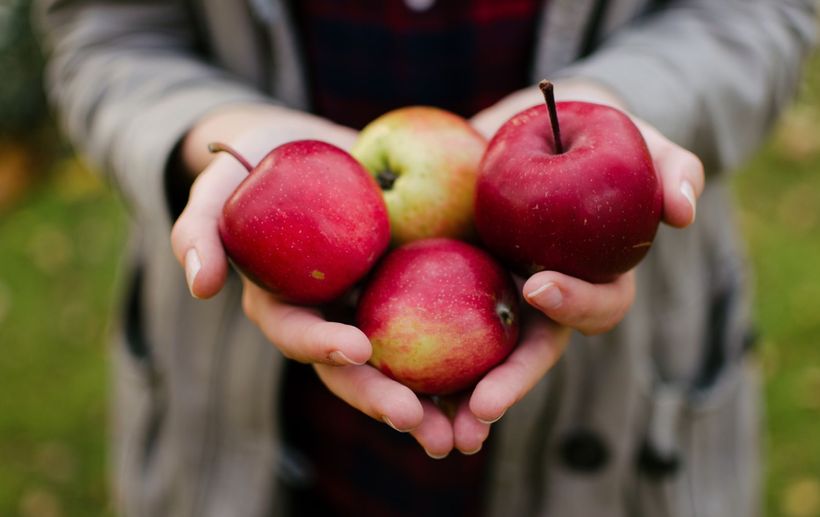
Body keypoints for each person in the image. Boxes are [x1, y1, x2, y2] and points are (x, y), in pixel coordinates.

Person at [36, 1, 815, 516]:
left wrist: (614, 98)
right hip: (253, 415)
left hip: (623, 406)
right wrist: (209, 130)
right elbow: (105, 33)